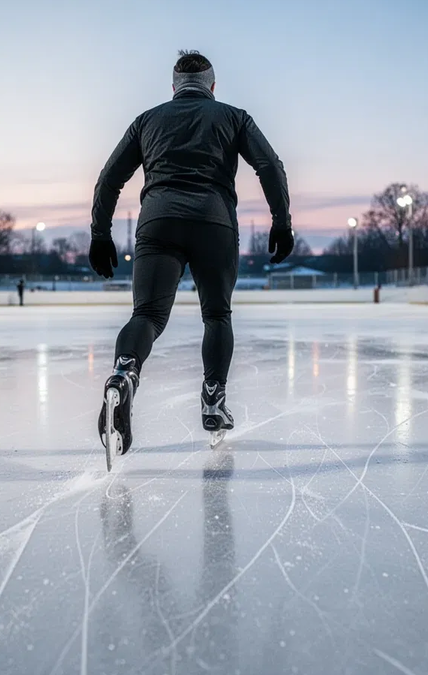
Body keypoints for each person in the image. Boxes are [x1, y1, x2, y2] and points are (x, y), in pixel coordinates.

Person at [88, 50, 292, 468]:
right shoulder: (234, 117)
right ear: (213, 87)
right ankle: (214, 400)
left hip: (158, 222)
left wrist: (100, 233)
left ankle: (125, 374)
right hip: (214, 224)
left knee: (146, 314)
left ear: (174, 87)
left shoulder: (147, 120)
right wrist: (281, 220)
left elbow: (110, 177)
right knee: (217, 315)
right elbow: (270, 165)